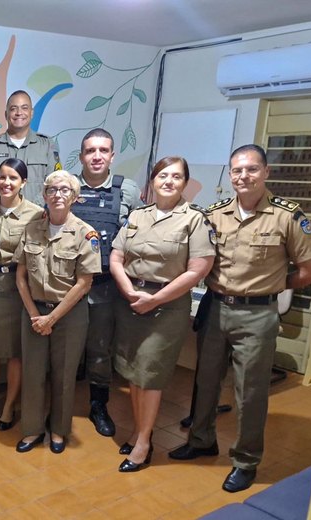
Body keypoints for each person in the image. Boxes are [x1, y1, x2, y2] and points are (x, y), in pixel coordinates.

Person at [169, 145, 311, 492]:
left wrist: (276, 285)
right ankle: (201, 440)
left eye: (252, 170)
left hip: (257, 316)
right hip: (215, 307)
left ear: (266, 172)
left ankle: (245, 461)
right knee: (205, 381)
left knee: (249, 392)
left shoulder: (287, 216)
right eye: (237, 171)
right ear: (230, 175)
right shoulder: (214, 213)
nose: (244, 177)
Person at [108, 157, 215, 472]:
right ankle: (140, 430)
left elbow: (199, 270)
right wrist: (129, 290)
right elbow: (116, 256)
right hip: (131, 301)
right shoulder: (138, 216)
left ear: (184, 183)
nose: (169, 181)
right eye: (163, 175)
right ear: (152, 181)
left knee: (150, 375)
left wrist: (154, 300)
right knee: (134, 373)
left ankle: (143, 444)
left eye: (177, 177)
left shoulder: (195, 219)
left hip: (166, 306)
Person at [14, 171, 101, 454]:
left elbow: (84, 283)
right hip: (34, 311)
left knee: (64, 376)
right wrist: (34, 315)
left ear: (75, 197)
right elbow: (21, 276)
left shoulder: (86, 233)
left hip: (69, 315)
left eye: (65, 190)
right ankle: (33, 429)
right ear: (44, 195)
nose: (58, 195)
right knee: (33, 373)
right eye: (52, 189)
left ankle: (59, 430)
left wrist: (52, 318)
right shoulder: (32, 228)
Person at [70, 128, 142, 438]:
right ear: (81, 155)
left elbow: (137, 237)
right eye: (90, 150)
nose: (96, 156)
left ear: (112, 155)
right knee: (66, 348)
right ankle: (58, 405)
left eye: (103, 150)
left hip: (105, 286)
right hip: (69, 285)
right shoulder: (67, 187)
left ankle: (98, 405)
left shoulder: (127, 190)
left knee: (100, 350)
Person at [0, 158, 44, 430]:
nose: (6, 183)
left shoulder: (36, 214)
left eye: (13, 178)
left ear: (23, 182)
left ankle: (9, 405)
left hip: (21, 288)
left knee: (17, 352)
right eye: (2, 177)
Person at [0, 90, 60, 208]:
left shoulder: (47, 145)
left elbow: (54, 181)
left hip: (37, 218)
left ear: (32, 112)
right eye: (13, 108)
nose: (19, 113)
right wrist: (3, 206)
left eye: (24, 108)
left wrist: (30, 209)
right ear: (6, 114)